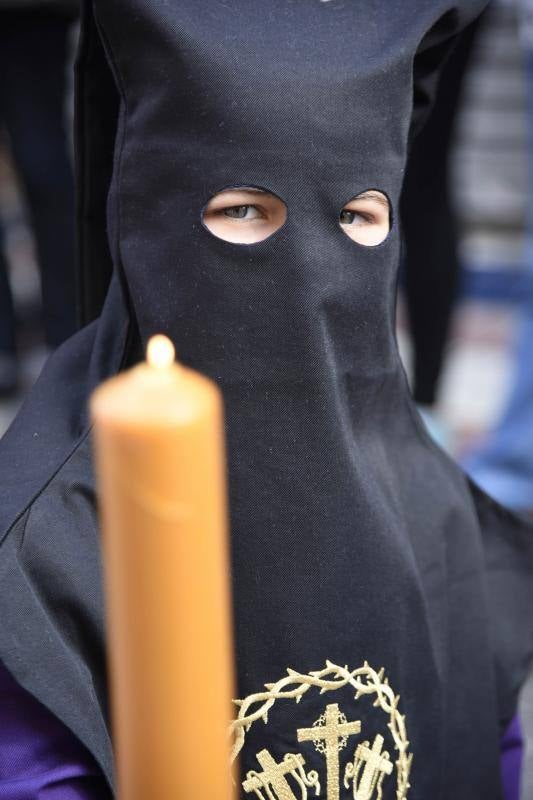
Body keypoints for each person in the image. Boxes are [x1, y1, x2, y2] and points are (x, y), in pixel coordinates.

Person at [1, 1, 532, 798]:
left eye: (355, 217)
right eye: (244, 210)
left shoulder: (437, 508)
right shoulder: (52, 544)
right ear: (157, 222)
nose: (311, 273)